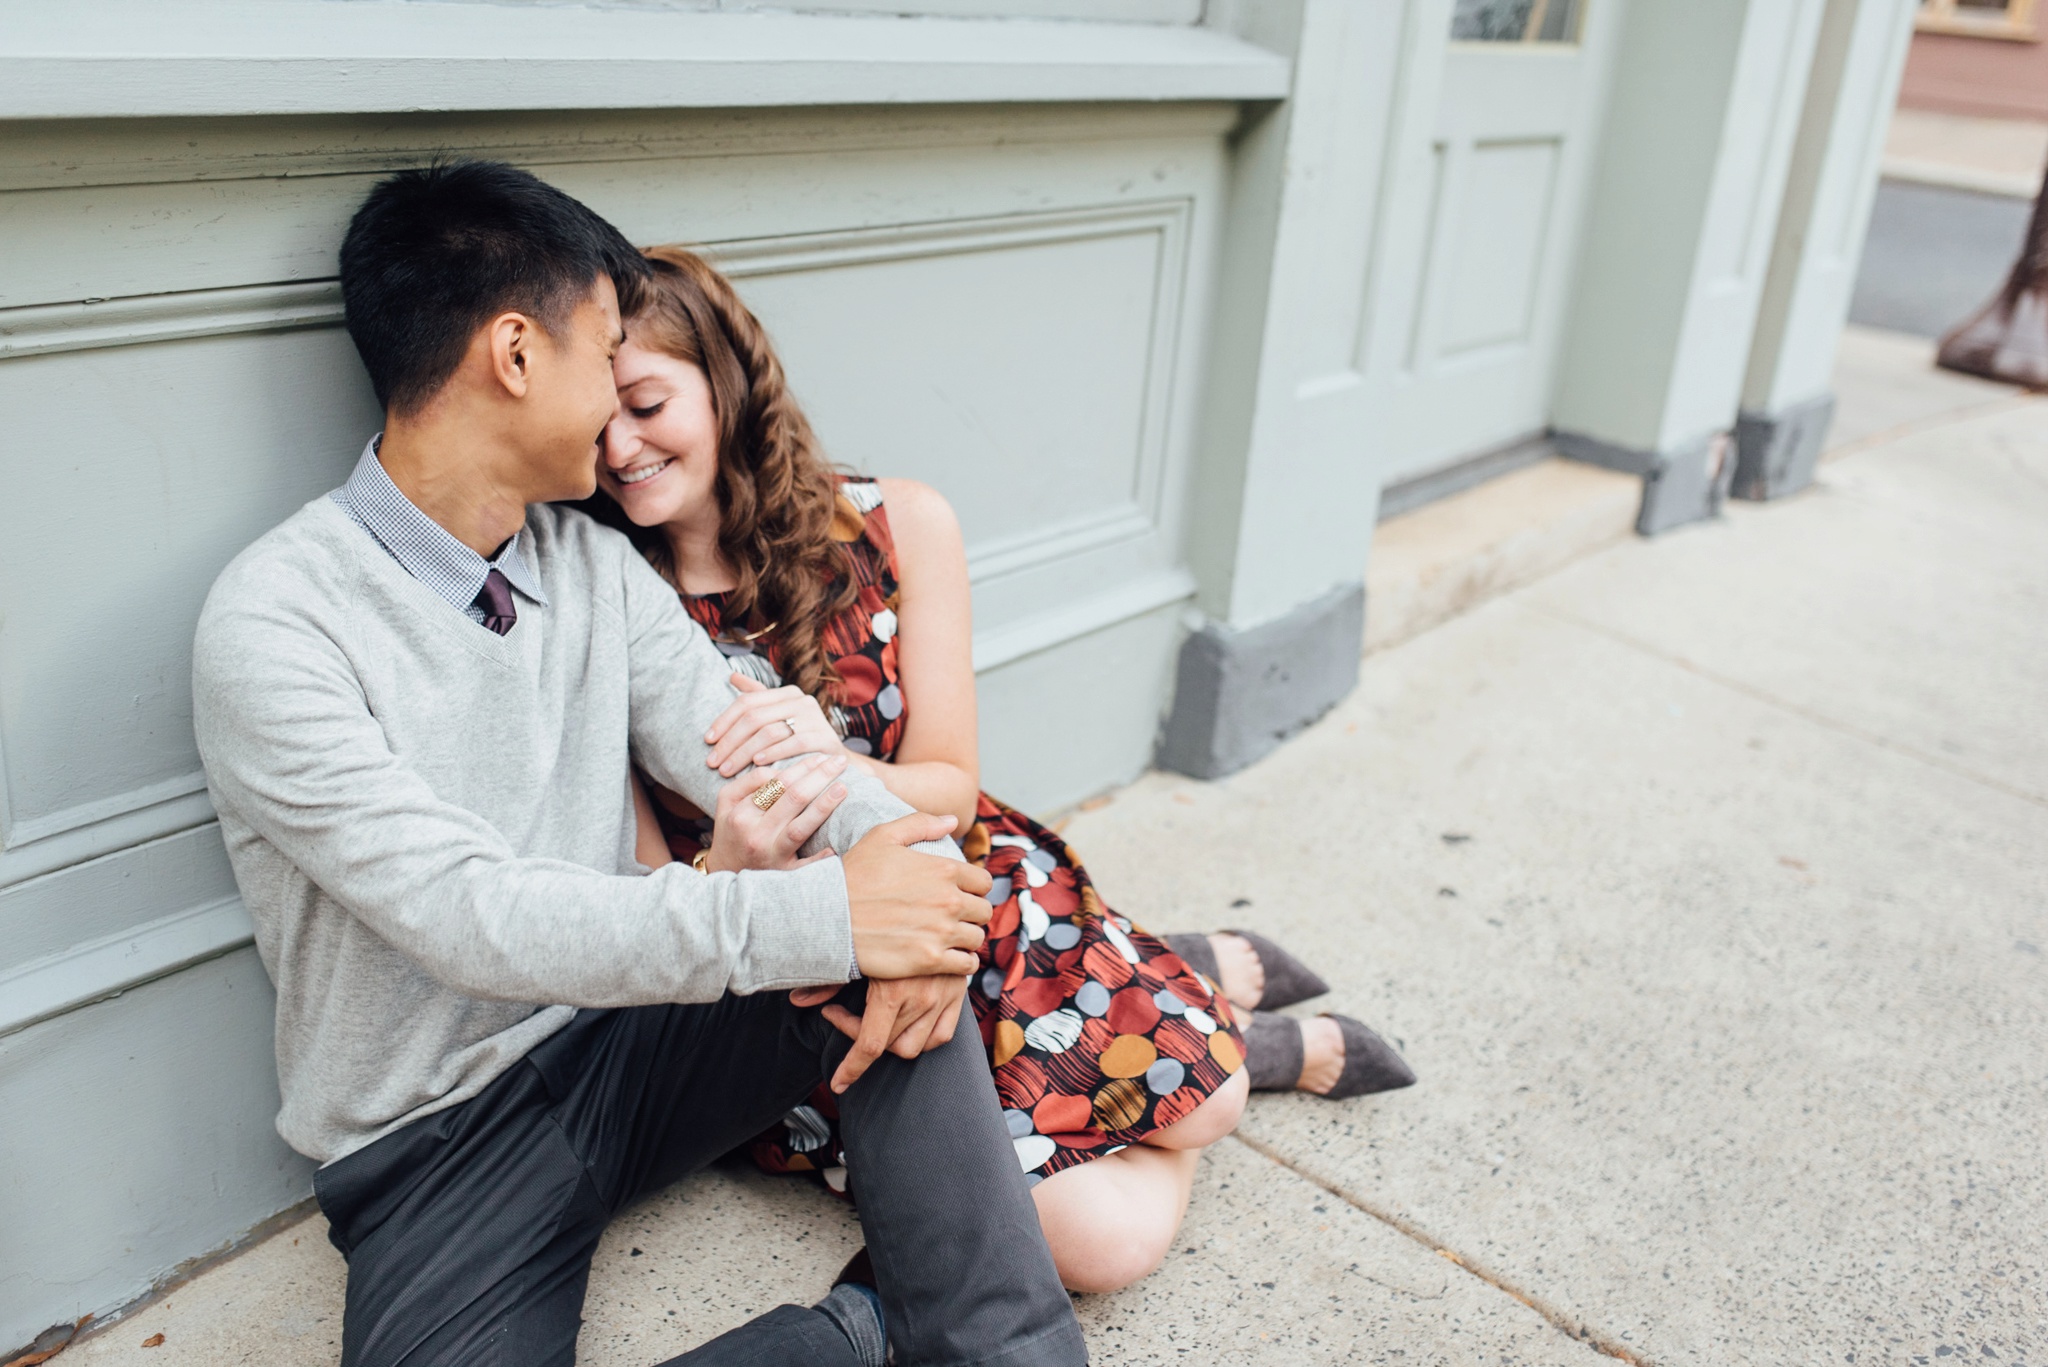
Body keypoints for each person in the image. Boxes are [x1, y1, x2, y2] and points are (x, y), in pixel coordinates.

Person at [190, 161, 1087, 1367]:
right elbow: (468, 914)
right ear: (514, 354)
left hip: (635, 1032)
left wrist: (893, 863)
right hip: (433, 1143)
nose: (616, 395)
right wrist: (834, 908)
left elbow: (759, 748)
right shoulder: (275, 625)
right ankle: (863, 1332)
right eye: (602, 349)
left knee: (886, 933)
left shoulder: (590, 564)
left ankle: (1005, 1351)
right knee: (848, 926)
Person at [580, 246, 1418, 1294]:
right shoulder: (598, 606)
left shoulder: (896, 523)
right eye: (593, 423)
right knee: (1101, 1246)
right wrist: (739, 855)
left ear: (725, 382)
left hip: (970, 899)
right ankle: (1198, 988)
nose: (618, 447)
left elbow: (947, 778)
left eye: (647, 404)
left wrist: (828, 768)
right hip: (807, 988)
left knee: (1211, 1101)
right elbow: (658, 897)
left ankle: (1213, 1016)